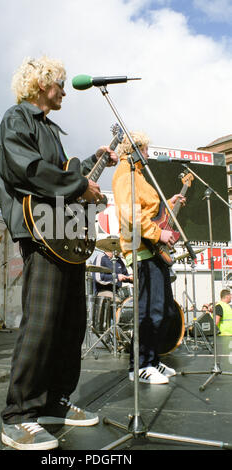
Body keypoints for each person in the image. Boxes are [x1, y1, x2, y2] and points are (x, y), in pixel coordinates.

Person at [0, 55, 118, 450]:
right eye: (59, 84)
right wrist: (80, 186)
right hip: (39, 233)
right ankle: (19, 415)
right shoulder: (18, 119)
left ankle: (55, 403)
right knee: (42, 324)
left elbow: (65, 171)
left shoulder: (51, 129)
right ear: (41, 84)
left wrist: (94, 165)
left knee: (70, 324)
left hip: (62, 234)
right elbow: (27, 170)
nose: (64, 91)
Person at [112, 131, 185, 385]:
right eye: (143, 149)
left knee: (164, 309)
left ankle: (152, 361)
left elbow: (147, 209)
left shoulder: (139, 174)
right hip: (141, 249)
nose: (146, 153)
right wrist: (158, 234)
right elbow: (131, 214)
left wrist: (167, 204)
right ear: (131, 148)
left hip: (151, 247)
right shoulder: (126, 172)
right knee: (150, 310)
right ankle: (139, 365)